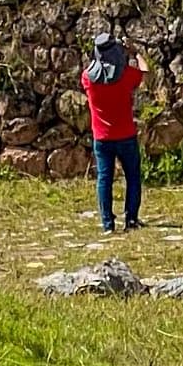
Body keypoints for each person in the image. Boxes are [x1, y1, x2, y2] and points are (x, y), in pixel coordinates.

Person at [80, 31, 146, 233]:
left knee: (104, 179)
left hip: (102, 137)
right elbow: (145, 72)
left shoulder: (87, 79)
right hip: (126, 134)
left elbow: (96, 72)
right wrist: (134, 52)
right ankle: (131, 220)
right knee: (133, 177)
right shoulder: (126, 75)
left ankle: (108, 223)